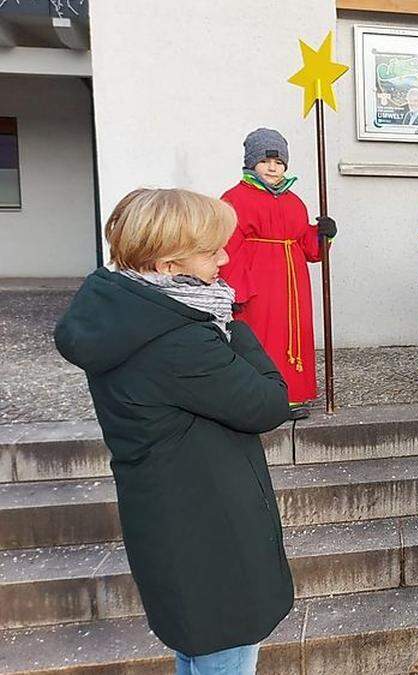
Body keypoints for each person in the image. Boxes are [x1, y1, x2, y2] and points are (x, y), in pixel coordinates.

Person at [54, 188, 294, 673]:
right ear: (165, 266)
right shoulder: (179, 340)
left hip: (171, 523)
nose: (224, 259)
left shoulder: (125, 313)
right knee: (223, 652)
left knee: (195, 651)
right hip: (210, 536)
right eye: (210, 251)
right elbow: (269, 403)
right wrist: (234, 325)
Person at [220, 128, 336, 419]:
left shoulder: (293, 201)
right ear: (251, 163)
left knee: (294, 336)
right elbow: (227, 247)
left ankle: (293, 396)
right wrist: (233, 289)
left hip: (294, 284)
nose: (273, 167)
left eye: (279, 162)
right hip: (257, 284)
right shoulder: (234, 199)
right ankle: (261, 398)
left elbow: (309, 249)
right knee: (262, 337)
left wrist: (323, 234)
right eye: (265, 161)